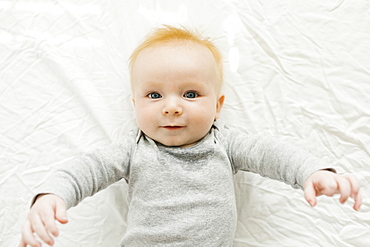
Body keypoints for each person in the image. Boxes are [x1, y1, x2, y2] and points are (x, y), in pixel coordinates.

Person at [19, 25, 362, 247]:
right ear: (134, 104)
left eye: (190, 94)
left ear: (218, 106)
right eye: (154, 96)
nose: (171, 107)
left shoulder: (226, 144)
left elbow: (273, 154)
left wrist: (315, 172)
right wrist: (51, 196)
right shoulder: (132, 150)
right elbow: (84, 169)